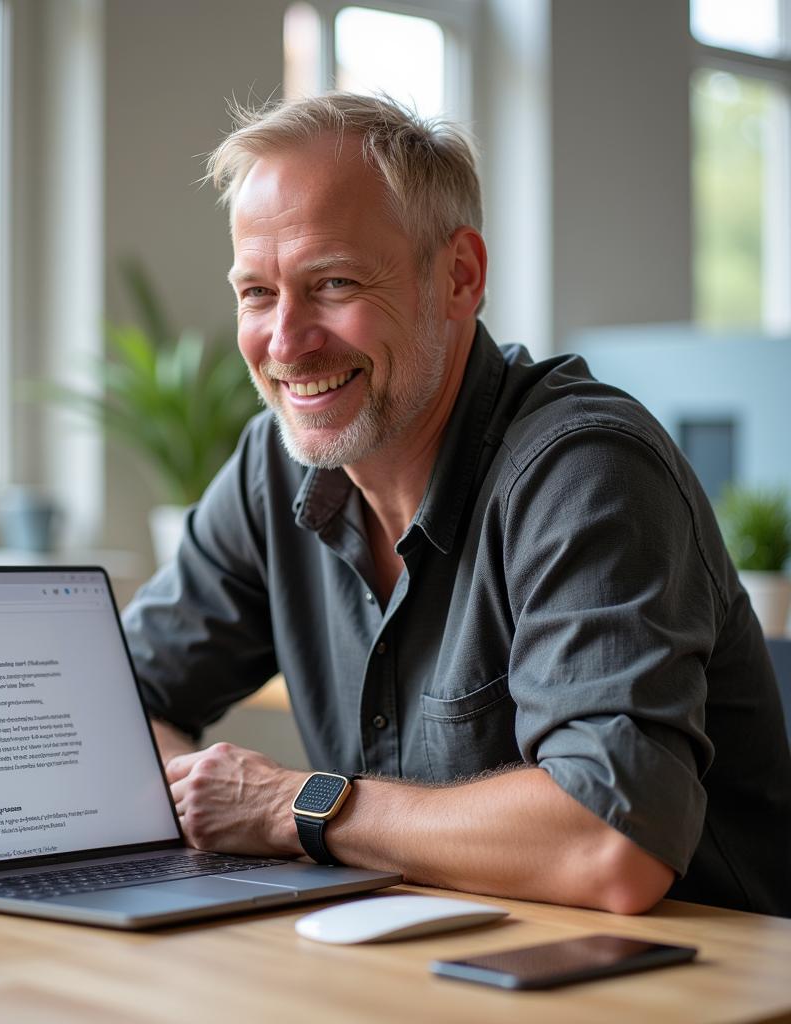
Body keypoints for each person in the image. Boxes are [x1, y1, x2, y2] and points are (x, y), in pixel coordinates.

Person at [121, 93, 791, 917]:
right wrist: (174, 791)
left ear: (459, 277)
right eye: (257, 293)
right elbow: (112, 703)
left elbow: (611, 844)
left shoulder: (585, 470)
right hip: (424, 967)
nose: (287, 342)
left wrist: (285, 806)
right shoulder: (274, 465)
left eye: (333, 283)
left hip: (685, 987)